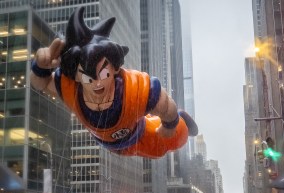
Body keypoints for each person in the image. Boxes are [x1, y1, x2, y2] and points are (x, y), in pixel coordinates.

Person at [30, 7, 198, 159]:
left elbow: (166, 105)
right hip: (114, 146)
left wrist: (170, 125)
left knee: (170, 141)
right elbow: (40, 84)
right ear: (77, 77)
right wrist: (39, 67)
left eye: (104, 73)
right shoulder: (69, 88)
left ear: (116, 68)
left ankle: (182, 122)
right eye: (88, 78)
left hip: (140, 136)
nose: (97, 84)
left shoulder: (135, 88)